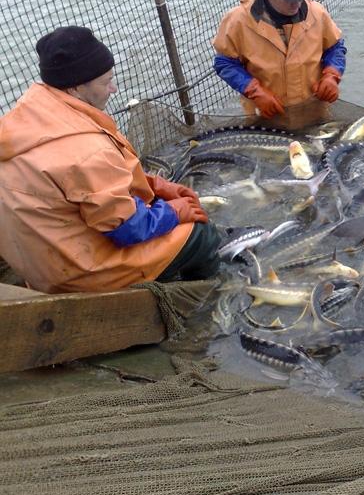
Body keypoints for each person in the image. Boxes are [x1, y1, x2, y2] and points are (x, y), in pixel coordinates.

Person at [0, 26, 220, 294]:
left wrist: (155, 186)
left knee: (159, 211)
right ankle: (200, 299)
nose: (114, 89)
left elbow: (78, 184)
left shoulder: (32, 110)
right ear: (77, 86)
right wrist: (175, 212)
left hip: (41, 264)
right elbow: (128, 229)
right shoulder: (85, 149)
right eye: (106, 81)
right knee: (201, 235)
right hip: (79, 272)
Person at [212, 0, 346, 118]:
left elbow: (335, 47)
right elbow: (225, 63)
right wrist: (254, 91)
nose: (296, 2)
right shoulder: (237, 20)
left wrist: (331, 75)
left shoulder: (317, 13)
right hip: (265, 114)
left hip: (313, 107)